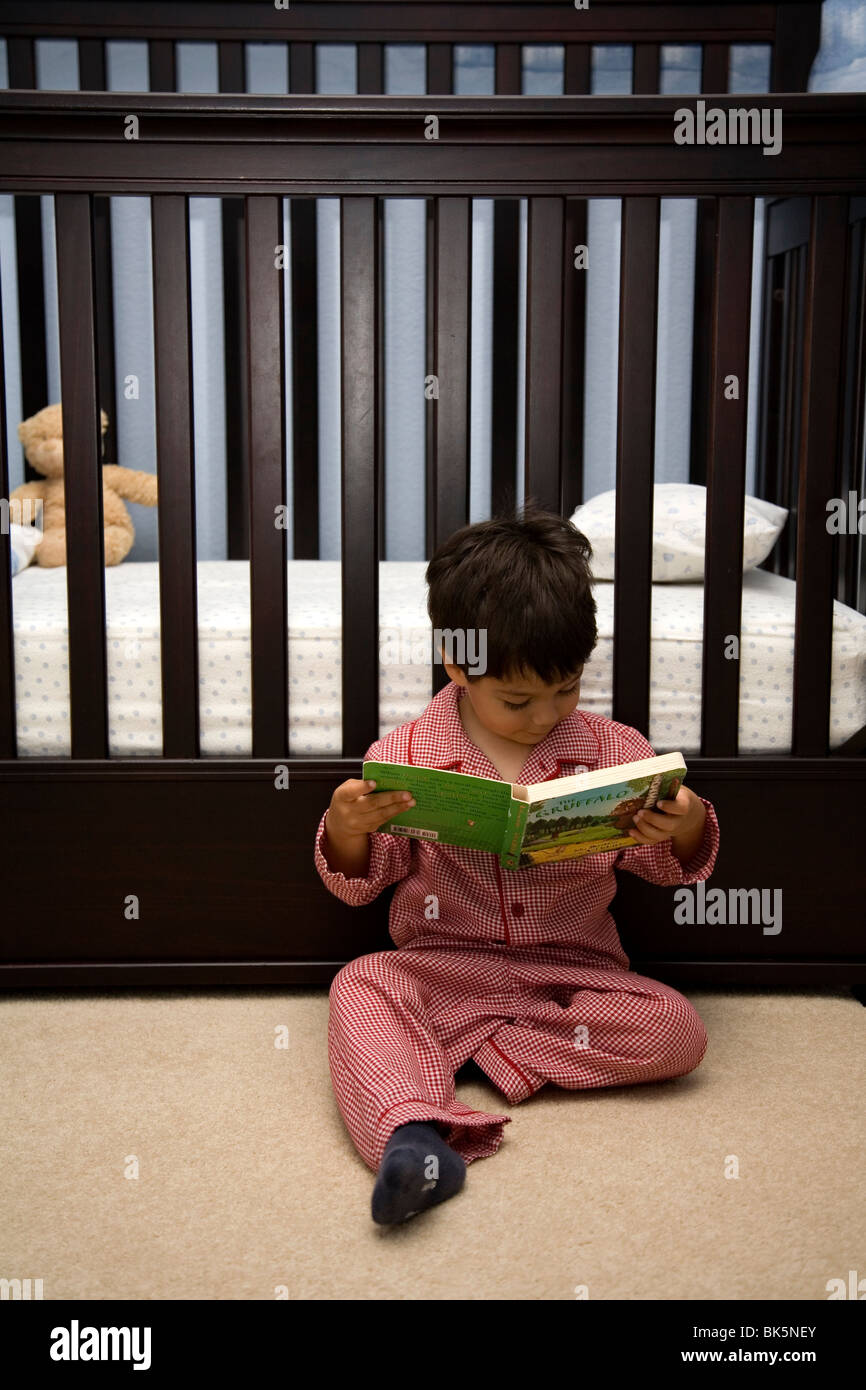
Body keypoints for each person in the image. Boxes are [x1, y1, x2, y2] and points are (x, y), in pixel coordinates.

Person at [314, 501, 720, 1225]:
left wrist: (682, 825)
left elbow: (668, 867)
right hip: (441, 966)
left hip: (573, 976)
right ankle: (415, 1138)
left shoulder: (614, 749)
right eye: (517, 699)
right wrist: (347, 828)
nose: (545, 716)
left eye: (566, 689)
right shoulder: (403, 754)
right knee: (359, 984)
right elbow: (363, 882)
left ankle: (479, 1049)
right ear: (456, 665)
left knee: (678, 1029)